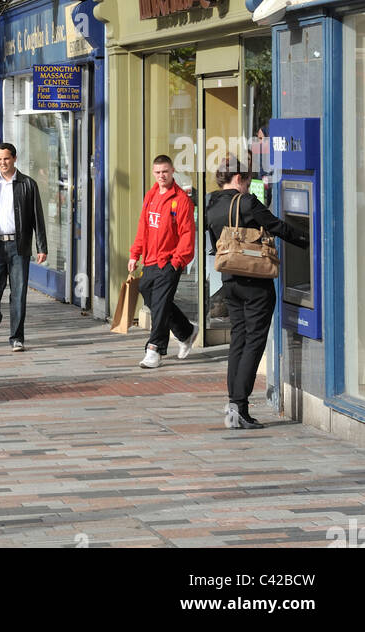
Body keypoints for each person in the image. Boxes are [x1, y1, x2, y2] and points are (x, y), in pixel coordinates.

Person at [207, 158, 309, 429]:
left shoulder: (212, 205)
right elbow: (277, 226)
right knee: (254, 342)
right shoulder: (247, 202)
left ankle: (233, 407)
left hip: (229, 280)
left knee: (238, 341)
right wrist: (307, 239)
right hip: (254, 282)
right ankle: (240, 406)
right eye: (247, 180)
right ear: (239, 178)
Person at [0, 142, 47, 352]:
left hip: (18, 246)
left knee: (19, 292)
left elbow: (37, 218)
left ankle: (16, 337)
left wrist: (41, 246)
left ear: (14, 159)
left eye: (6, 159)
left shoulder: (27, 184)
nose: (3, 163)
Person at [127, 154, 197, 369]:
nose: (161, 176)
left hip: (169, 262)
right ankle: (186, 331)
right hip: (149, 260)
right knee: (152, 298)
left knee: (160, 305)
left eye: (165, 171)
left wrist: (177, 261)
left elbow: (187, 234)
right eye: (157, 172)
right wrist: (134, 254)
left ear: (172, 170)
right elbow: (143, 228)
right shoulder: (151, 196)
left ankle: (154, 349)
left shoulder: (181, 201)